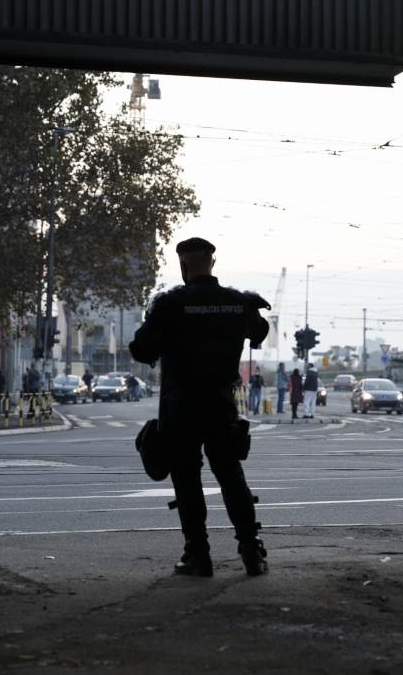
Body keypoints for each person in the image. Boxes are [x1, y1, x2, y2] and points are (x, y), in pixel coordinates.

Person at [129, 236, 270, 578]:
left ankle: (198, 554)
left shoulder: (170, 303)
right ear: (213, 262)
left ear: (183, 265)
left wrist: (157, 324)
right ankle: (251, 549)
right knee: (230, 474)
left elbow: (141, 350)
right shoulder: (236, 302)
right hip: (221, 403)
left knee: (187, 479)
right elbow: (260, 332)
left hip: (182, 406)